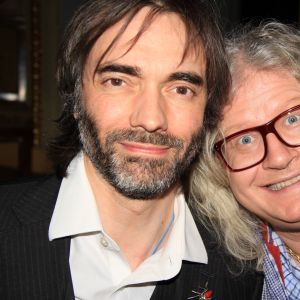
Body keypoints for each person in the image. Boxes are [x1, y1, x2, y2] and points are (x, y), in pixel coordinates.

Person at [0, 0, 263, 299]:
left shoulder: (243, 273)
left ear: (207, 110)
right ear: (75, 97)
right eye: (118, 81)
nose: (151, 119)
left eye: (181, 89)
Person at [192, 21, 300, 299]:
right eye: (245, 140)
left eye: (293, 118)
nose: (277, 157)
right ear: (217, 170)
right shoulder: (208, 280)